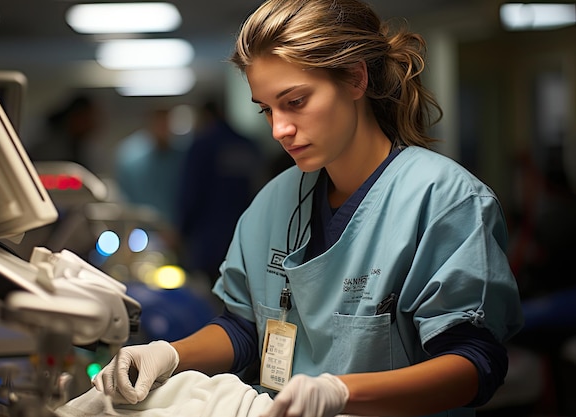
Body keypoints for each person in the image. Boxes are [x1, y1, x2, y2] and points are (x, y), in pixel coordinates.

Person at [93, 1, 524, 416]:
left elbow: (474, 366)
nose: (280, 129)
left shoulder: (443, 201)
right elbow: (244, 328)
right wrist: (167, 355)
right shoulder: (273, 202)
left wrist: (341, 392)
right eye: (267, 109)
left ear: (356, 80)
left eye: (295, 101)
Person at [176, 100, 264, 284]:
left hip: (210, 238)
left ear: (206, 115)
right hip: (247, 235)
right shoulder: (247, 145)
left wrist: (182, 232)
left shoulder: (202, 146)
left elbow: (191, 194)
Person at [115, 108, 186, 226]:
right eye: (159, 123)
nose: (163, 128)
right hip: (139, 231)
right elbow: (125, 200)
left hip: (176, 232)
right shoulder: (130, 157)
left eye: (166, 123)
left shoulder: (181, 156)